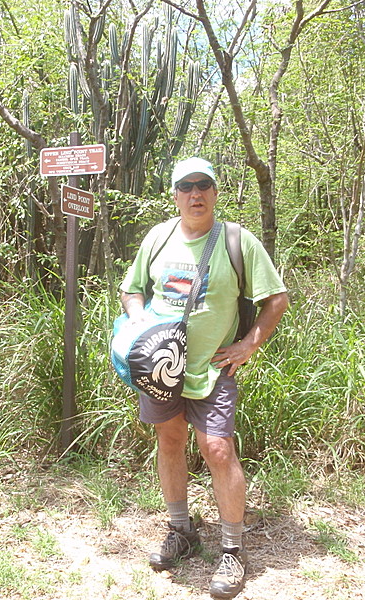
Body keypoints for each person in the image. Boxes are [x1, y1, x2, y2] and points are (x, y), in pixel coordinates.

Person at [118, 157, 288, 598]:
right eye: (186, 187)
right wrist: (139, 324)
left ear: (215, 192)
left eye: (204, 186)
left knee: (217, 448)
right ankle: (182, 531)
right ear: (174, 194)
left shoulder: (237, 241)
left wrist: (249, 344)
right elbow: (132, 288)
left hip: (213, 370)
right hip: (160, 368)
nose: (196, 194)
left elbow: (277, 299)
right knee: (169, 440)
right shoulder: (158, 238)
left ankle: (233, 549)